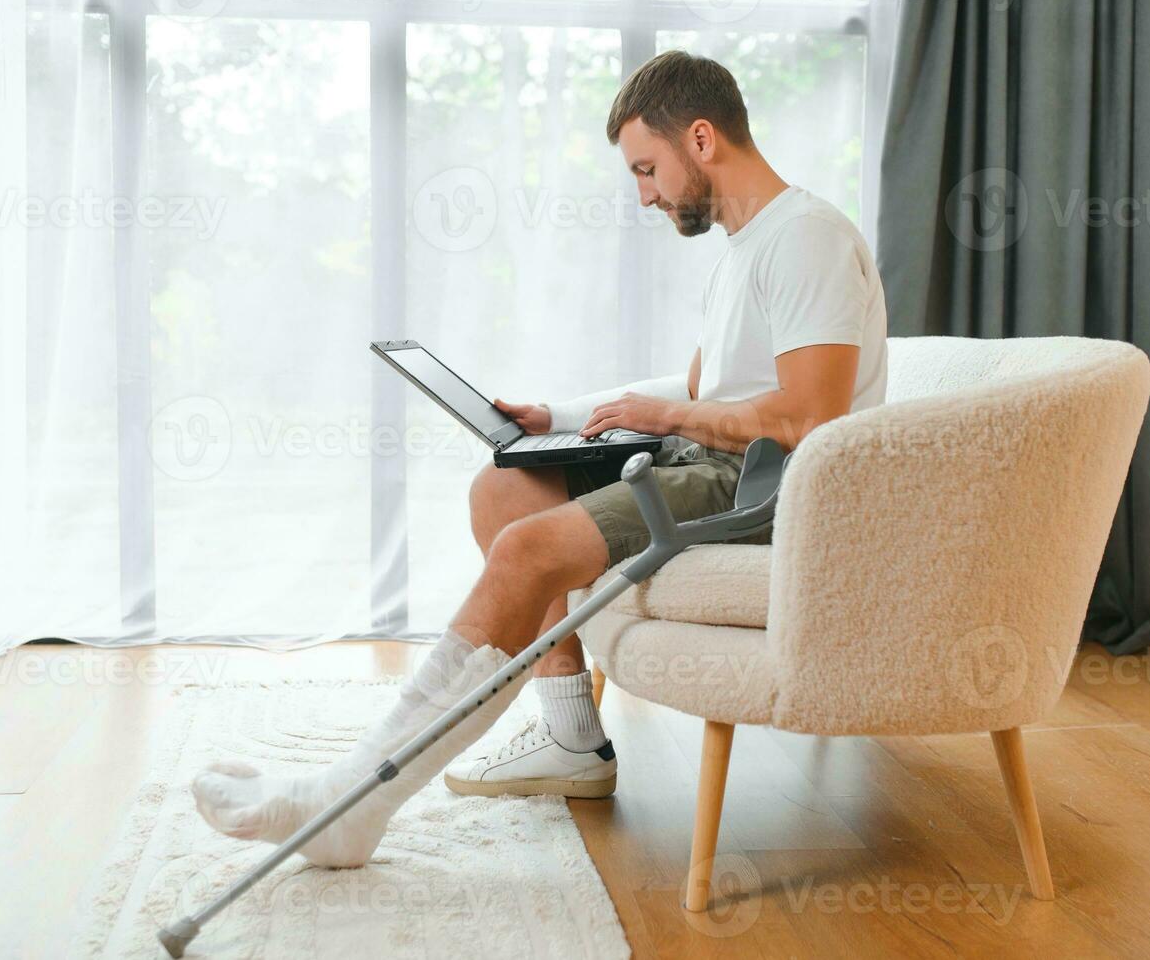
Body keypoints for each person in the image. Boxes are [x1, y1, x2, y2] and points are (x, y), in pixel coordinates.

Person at [190, 50, 888, 867]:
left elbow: (810, 417)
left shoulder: (804, 239)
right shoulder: (746, 246)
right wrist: (555, 416)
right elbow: (710, 388)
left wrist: (662, 415)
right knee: (506, 488)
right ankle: (570, 740)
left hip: (762, 484)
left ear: (700, 140)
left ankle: (356, 797)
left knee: (527, 550)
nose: (645, 195)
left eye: (647, 168)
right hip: (710, 458)